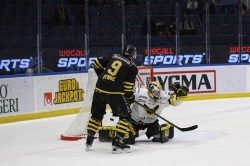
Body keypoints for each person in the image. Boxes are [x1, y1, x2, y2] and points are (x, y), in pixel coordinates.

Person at [85, 45, 138, 154]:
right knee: (126, 115)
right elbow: (128, 88)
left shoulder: (113, 56)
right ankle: (118, 141)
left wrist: (102, 76)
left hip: (99, 88)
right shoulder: (132, 66)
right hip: (114, 91)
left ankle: (89, 138)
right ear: (133, 55)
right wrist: (130, 97)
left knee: (96, 114)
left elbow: (95, 63)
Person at [124, 82, 189, 144]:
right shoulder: (140, 93)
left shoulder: (163, 96)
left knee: (160, 136)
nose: (157, 94)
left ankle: (166, 127)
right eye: (155, 92)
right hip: (134, 121)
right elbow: (125, 94)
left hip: (151, 123)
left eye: (158, 92)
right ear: (150, 90)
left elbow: (175, 102)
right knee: (128, 138)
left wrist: (179, 96)